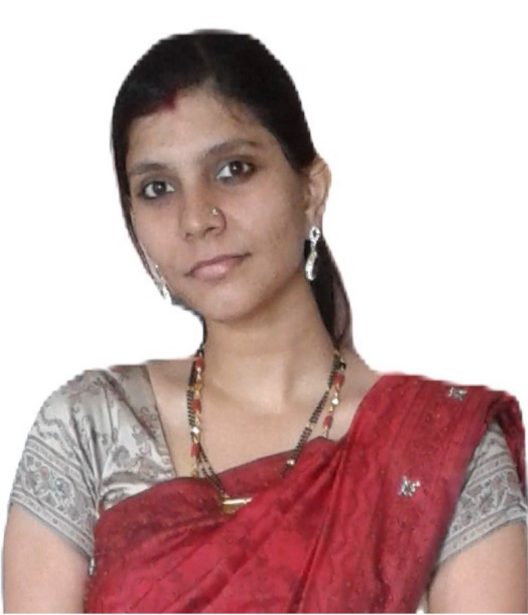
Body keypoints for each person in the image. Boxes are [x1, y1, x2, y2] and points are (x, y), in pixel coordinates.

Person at [2, 29, 527, 613]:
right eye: (158, 188)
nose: (197, 218)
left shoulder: (439, 448)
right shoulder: (88, 428)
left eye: (233, 169)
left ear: (310, 190)